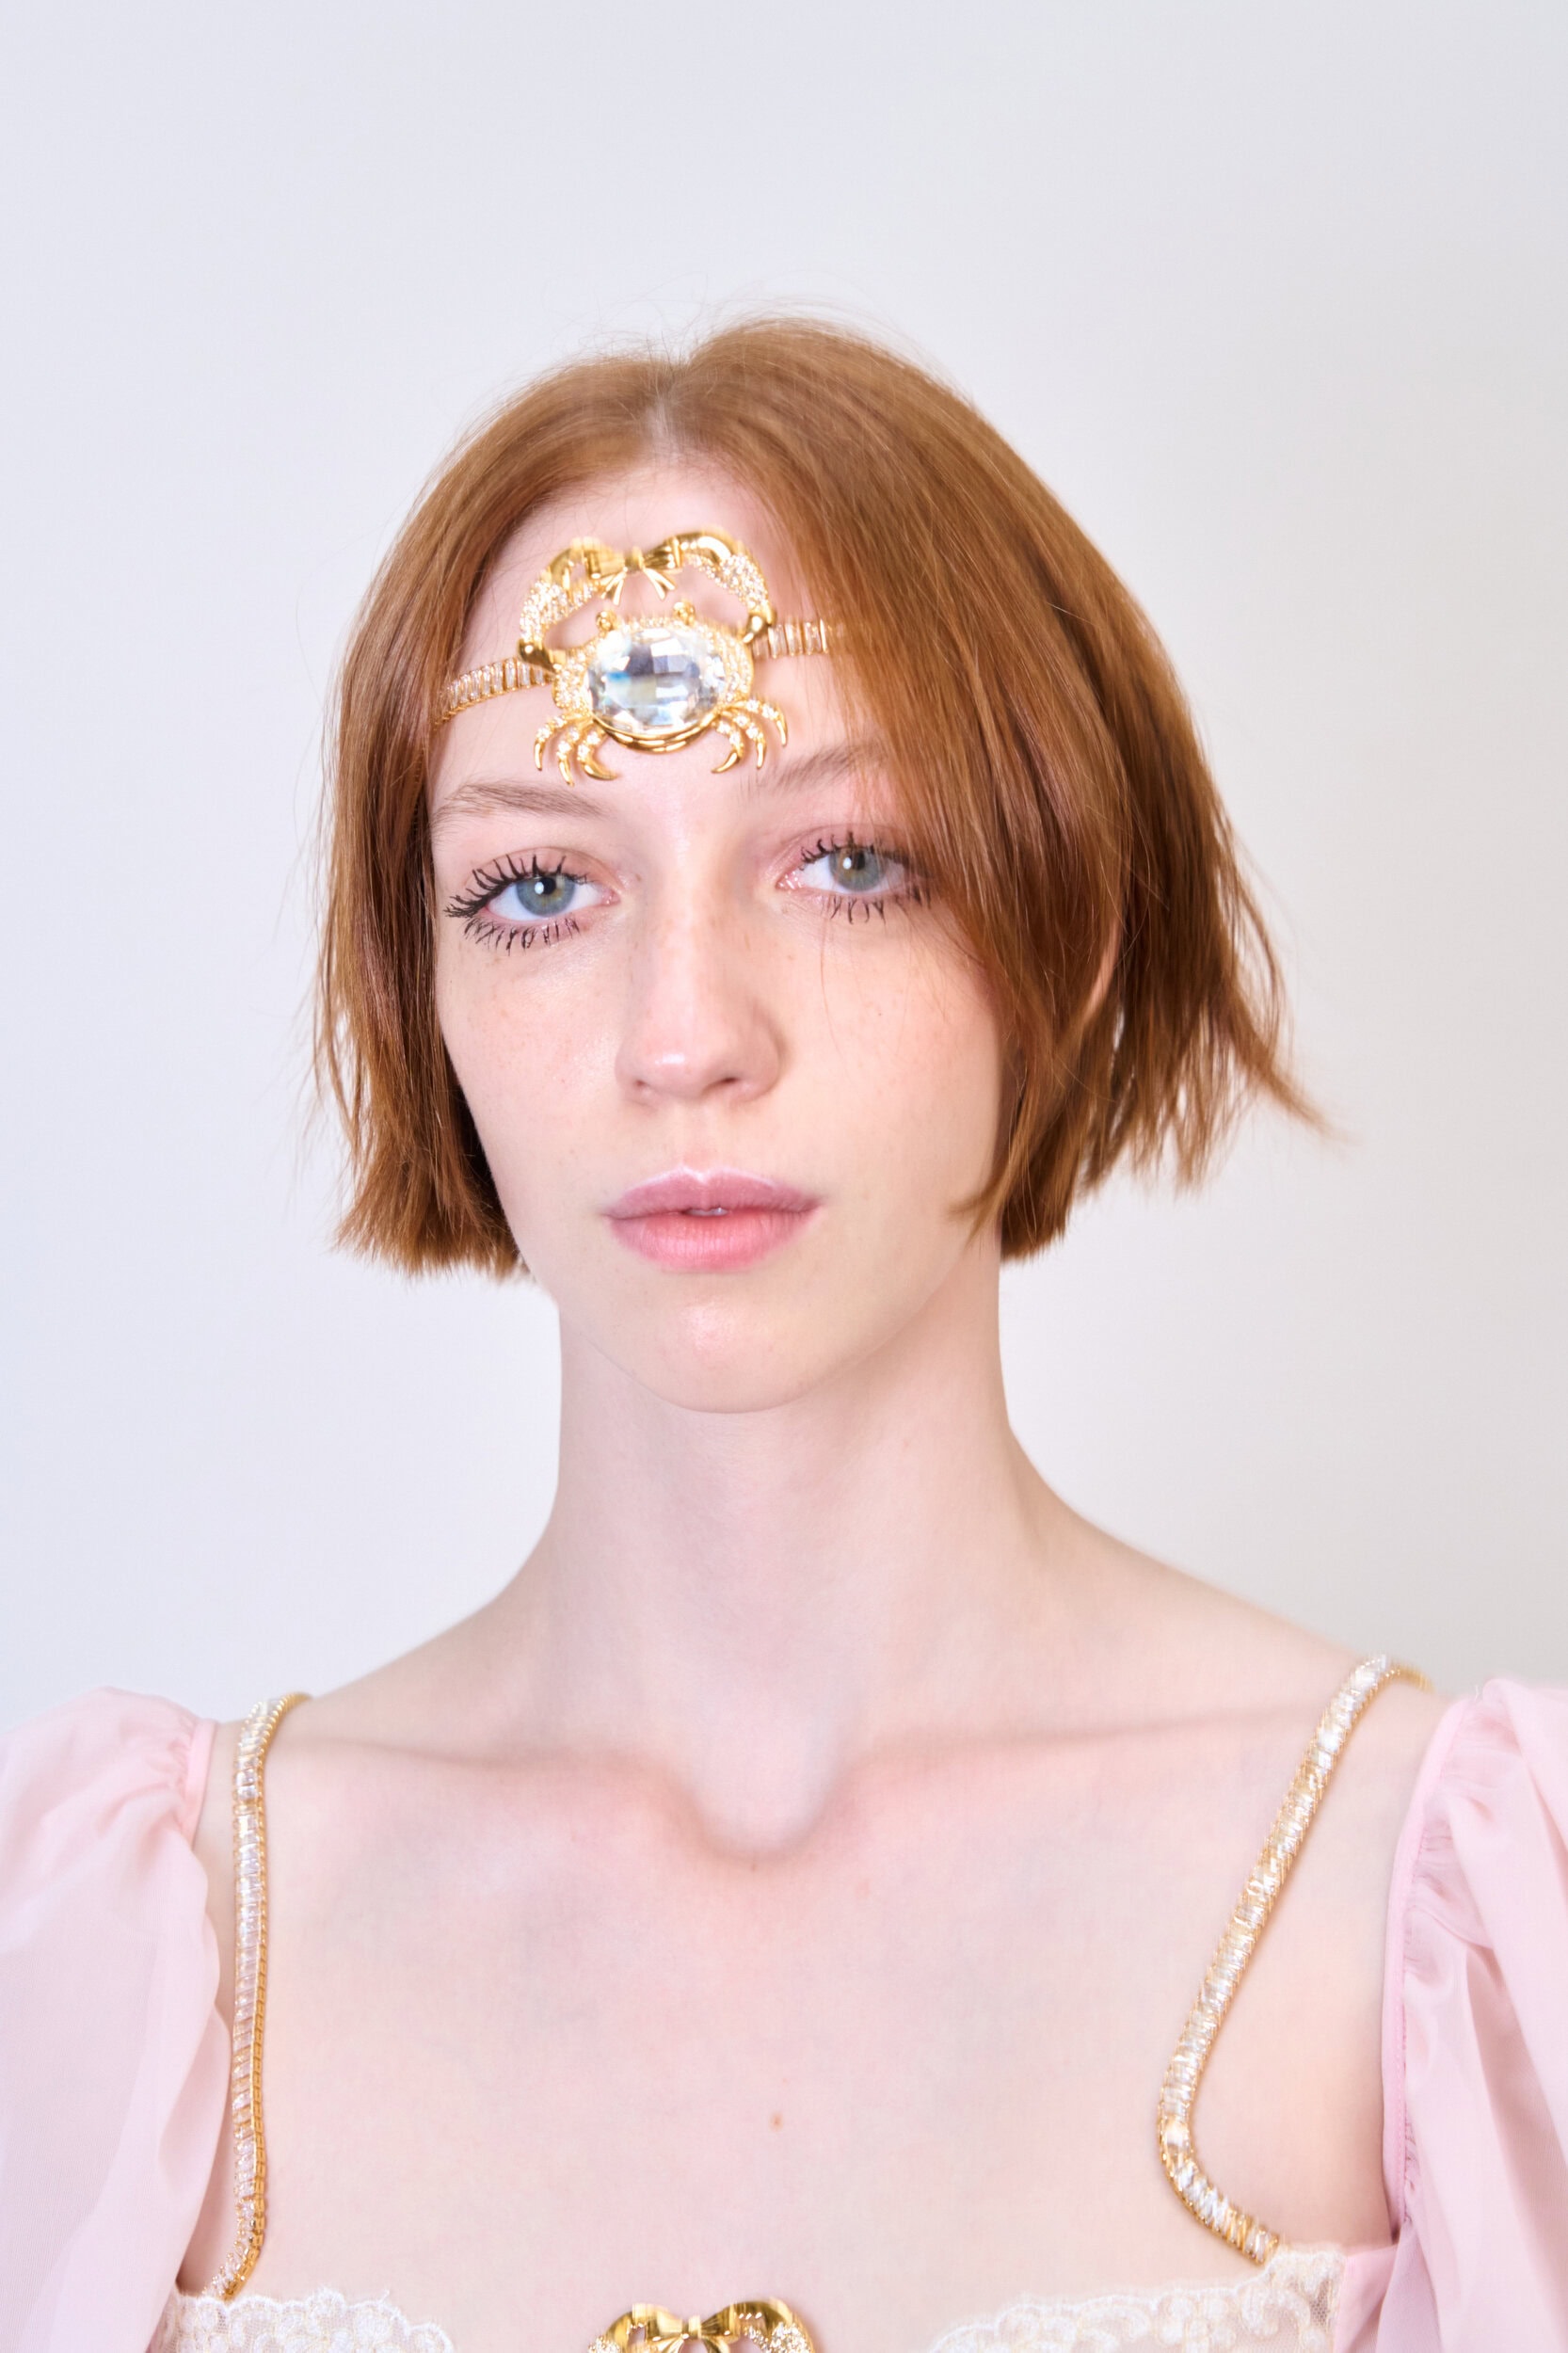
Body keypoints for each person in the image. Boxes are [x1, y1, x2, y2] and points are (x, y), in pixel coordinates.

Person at [1, 320, 1562, 2353]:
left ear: (1074, 929)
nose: (684, 1037)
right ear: (418, 986)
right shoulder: (132, 1948)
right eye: (539, 886)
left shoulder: (1453, 1924)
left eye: (849, 861)